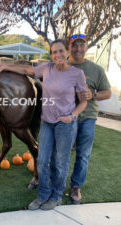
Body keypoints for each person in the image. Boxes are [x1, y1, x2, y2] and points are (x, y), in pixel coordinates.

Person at [0, 39, 87, 210]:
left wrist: (72, 116)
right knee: (41, 160)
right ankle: (42, 196)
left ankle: (56, 197)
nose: (58, 55)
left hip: (65, 125)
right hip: (47, 122)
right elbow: (27, 70)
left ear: (67, 52)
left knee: (60, 163)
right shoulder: (47, 69)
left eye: (61, 51)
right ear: (51, 54)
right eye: (54, 52)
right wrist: (5, 67)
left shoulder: (77, 74)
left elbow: (83, 101)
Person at [68, 34, 111, 204]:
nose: (78, 49)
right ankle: (53, 181)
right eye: (74, 45)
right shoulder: (62, 67)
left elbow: (107, 93)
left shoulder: (96, 69)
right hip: (65, 118)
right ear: (69, 47)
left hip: (87, 118)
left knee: (83, 154)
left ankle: (76, 186)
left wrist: (92, 94)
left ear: (86, 47)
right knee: (59, 152)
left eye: (82, 45)